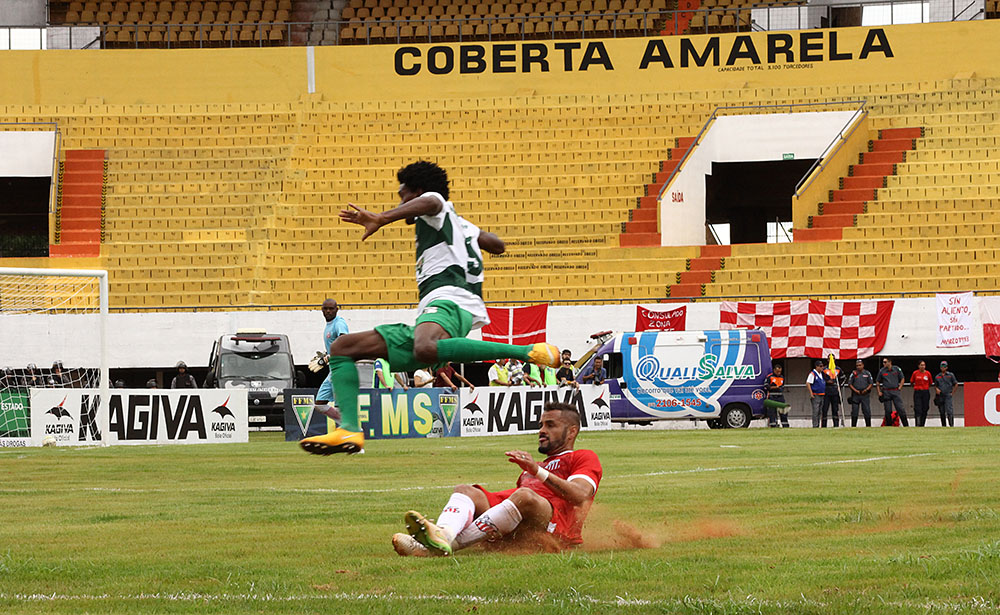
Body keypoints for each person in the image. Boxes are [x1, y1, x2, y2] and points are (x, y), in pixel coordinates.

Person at [299, 161, 561, 455]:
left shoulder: (435, 206)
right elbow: (497, 245)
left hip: (450, 301)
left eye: (403, 195)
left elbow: (433, 201)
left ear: (418, 192)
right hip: (439, 310)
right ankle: (349, 429)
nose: (401, 202)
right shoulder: (459, 224)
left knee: (425, 347)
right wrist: (468, 233)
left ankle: (526, 351)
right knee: (343, 348)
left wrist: (382, 218)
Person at [392, 402, 602, 557]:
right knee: (465, 490)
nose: (541, 431)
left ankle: (430, 548)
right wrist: (535, 470)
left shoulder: (582, 456)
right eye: (541, 425)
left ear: (572, 431)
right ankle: (444, 534)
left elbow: (580, 495)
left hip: (555, 527)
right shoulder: (531, 470)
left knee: (524, 496)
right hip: (520, 522)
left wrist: (536, 470)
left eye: (550, 425)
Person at [315, 299, 350, 411]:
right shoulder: (329, 325)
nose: (328, 311)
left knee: (339, 405)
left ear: (337, 309)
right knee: (319, 404)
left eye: (331, 308)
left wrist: (329, 357)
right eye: (326, 309)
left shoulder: (339, 323)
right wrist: (326, 355)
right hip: (333, 369)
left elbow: (344, 341)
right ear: (322, 310)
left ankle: (347, 427)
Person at [877, 357, 908, 426]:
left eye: (885, 362)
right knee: (888, 411)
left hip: (895, 391)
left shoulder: (896, 369)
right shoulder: (882, 371)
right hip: (886, 392)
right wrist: (879, 391)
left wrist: (900, 387)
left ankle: (906, 425)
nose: (883, 364)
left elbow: (902, 378)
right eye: (883, 362)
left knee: (900, 409)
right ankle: (889, 426)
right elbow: (878, 382)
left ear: (890, 362)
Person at [847, 359, 874, 427]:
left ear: (863, 365)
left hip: (865, 395)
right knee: (854, 411)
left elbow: (871, 383)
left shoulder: (867, 373)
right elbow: (850, 384)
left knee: (866, 411)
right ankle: (853, 426)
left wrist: (866, 390)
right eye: (857, 365)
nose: (858, 367)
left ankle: (868, 426)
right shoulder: (853, 373)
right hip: (856, 395)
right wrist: (855, 390)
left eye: (860, 365)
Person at [933, 361, 958, 427]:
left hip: (948, 395)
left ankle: (951, 425)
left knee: (949, 411)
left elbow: (956, 384)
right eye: (941, 366)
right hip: (940, 396)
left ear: (946, 367)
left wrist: (952, 393)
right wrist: (936, 389)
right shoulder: (937, 376)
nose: (943, 368)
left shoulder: (950, 375)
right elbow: (935, 385)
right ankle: (943, 425)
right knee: (942, 411)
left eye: (944, 366)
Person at [764, 364, 789, 428]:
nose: (779, 373)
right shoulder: (770, 377)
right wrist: (774, 387)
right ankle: (773, 425)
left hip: (780, 396)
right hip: (772, 396)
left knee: (783, 411)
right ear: (774, 370)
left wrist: (779, 388)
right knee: (772, 412)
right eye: (777, 371)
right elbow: (766, 386)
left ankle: (785, 425)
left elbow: (782, 387)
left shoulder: (782, 377)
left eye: (780, 372)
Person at [821, 358, 844, 428]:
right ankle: (824, 425)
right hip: (826, 391)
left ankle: (836, 424)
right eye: (830, 359)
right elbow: (820, 379)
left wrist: (839, 385)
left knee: (835, 409)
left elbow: (843, 378)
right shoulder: (824, 369)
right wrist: (826, 382)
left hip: (835, 391)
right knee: (824, 409)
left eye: (833, 359)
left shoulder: (838, 369)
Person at [910, 360, 933, 427]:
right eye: (921, 365)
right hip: (917, 392)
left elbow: (930, 383)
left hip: (925, 392)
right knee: (918, 408)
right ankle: (918, 424)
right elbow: (912, 381)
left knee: (925, 408)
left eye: (924, 365)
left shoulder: (928, 373)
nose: (923, 366)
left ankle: (922, 424)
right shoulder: (915, 373)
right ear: (918, 366)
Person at [806, 359, 826, 428]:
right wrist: (811, 393)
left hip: (822, 394)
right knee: (816, 411)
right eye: (820, 366)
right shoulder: (813, 374)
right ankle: (815, 425)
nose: (822, 368)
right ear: (816, 367)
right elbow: (808, 383)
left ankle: (818, 424)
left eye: (822, 366)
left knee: (820, 411)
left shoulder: (821, 374)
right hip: (816, 394)